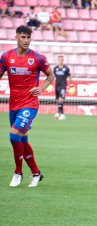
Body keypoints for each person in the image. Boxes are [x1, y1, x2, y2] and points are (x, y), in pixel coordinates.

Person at [0, 25, 55, 188]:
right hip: (14, 104)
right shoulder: (6, 57)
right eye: (23, 37)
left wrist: (42, 88)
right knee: (22, 140)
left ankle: (18, 172)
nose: (26, 40)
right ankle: (37, 173)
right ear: (17, 37)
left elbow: (51, 75)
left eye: (28, 38)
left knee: (14, 136)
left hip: (30, 104)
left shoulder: (38, 58)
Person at [53, 55, 72, 120]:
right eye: (59, 60)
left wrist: (71, 85)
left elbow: (69, 76)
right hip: (57, 86)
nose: (61, 61)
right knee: (58, 100)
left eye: (62, 60)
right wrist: (50, 84)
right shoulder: (55, 68)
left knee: (61, 99)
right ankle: (62, 114)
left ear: (63, 60)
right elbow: (52, 77)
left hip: (63, 86)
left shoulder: (66, 68)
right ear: (58, 60)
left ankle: (58, 112)